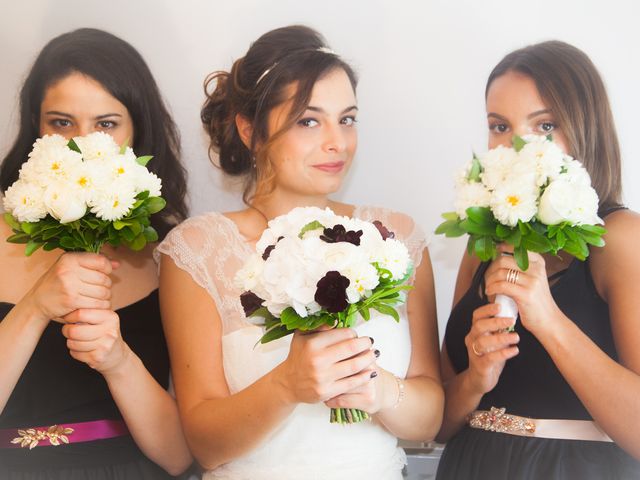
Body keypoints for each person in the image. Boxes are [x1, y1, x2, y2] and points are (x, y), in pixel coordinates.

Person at [157, 25, 443, 479]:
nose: (338, 142)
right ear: (249, 130)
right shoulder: (198, 251)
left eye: (347, 119)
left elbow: (429, 419)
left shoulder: (397, 236)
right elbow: (204, 446)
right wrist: (287, 385)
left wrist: (379, 389)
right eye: (309, 120)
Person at [436, 40, 640, 479]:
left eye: (544, 125)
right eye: (499, 126)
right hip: (470, 465)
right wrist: (475, 378)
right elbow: (439, 422)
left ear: (584, 128)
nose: (519, 146)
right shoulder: (481, 240)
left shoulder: (620, 238)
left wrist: (547, 318)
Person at [0, 28, 192, 478]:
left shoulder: (170, 252)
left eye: (106, 124)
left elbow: (180, 455)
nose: (83, 146)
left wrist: (119, 360)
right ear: (36, 126)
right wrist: (37, 305)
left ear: (136, 131)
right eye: (62, 123)